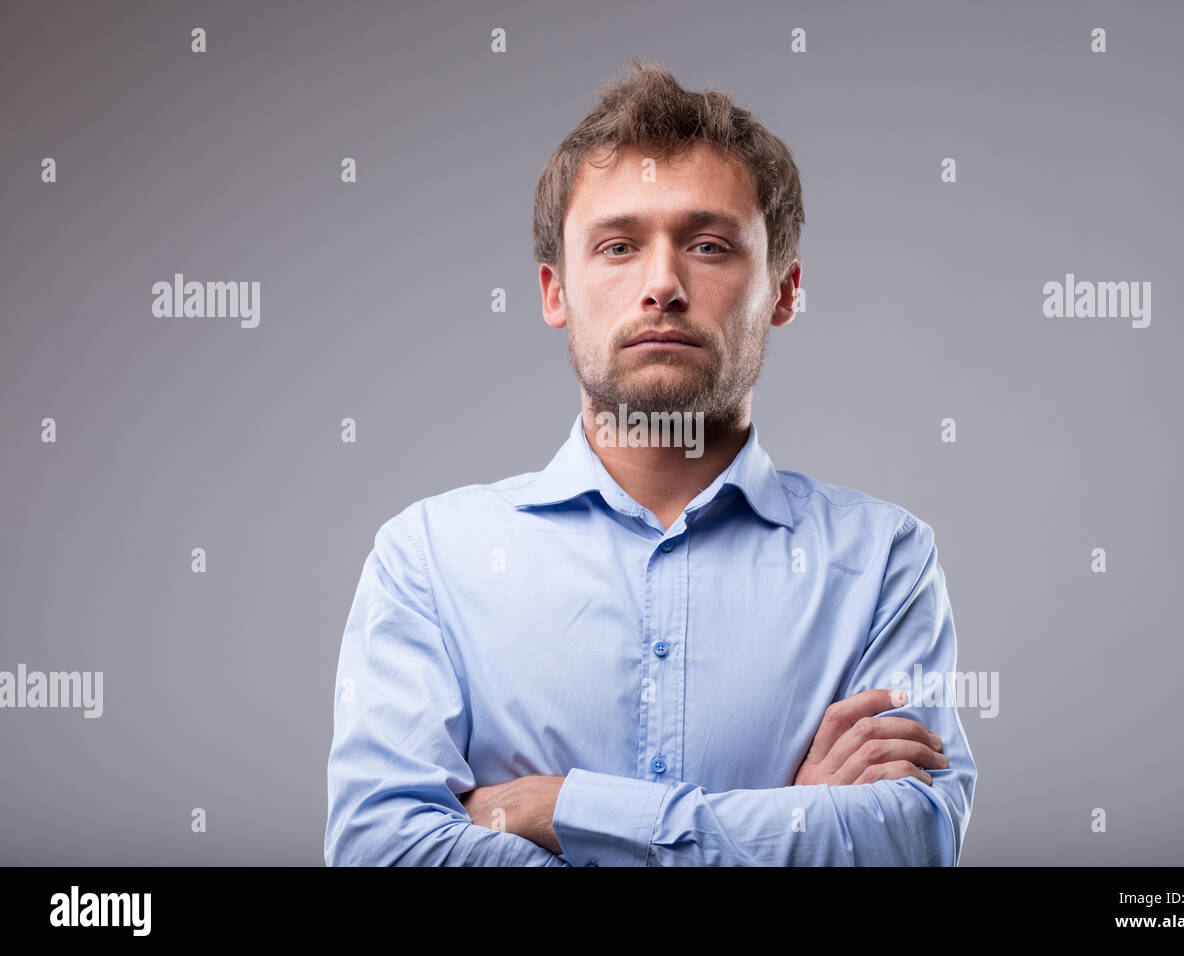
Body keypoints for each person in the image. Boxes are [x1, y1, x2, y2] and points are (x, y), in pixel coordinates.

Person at [324, 59, 976, 866]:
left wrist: (562, 808)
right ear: (554, 291)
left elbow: (910, 843)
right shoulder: (426, 560)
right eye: (619, 246)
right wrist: (789, 823)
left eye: (707, 245)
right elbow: (383, 854)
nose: (662, 284)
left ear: (783, 289)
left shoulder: (884, 560)